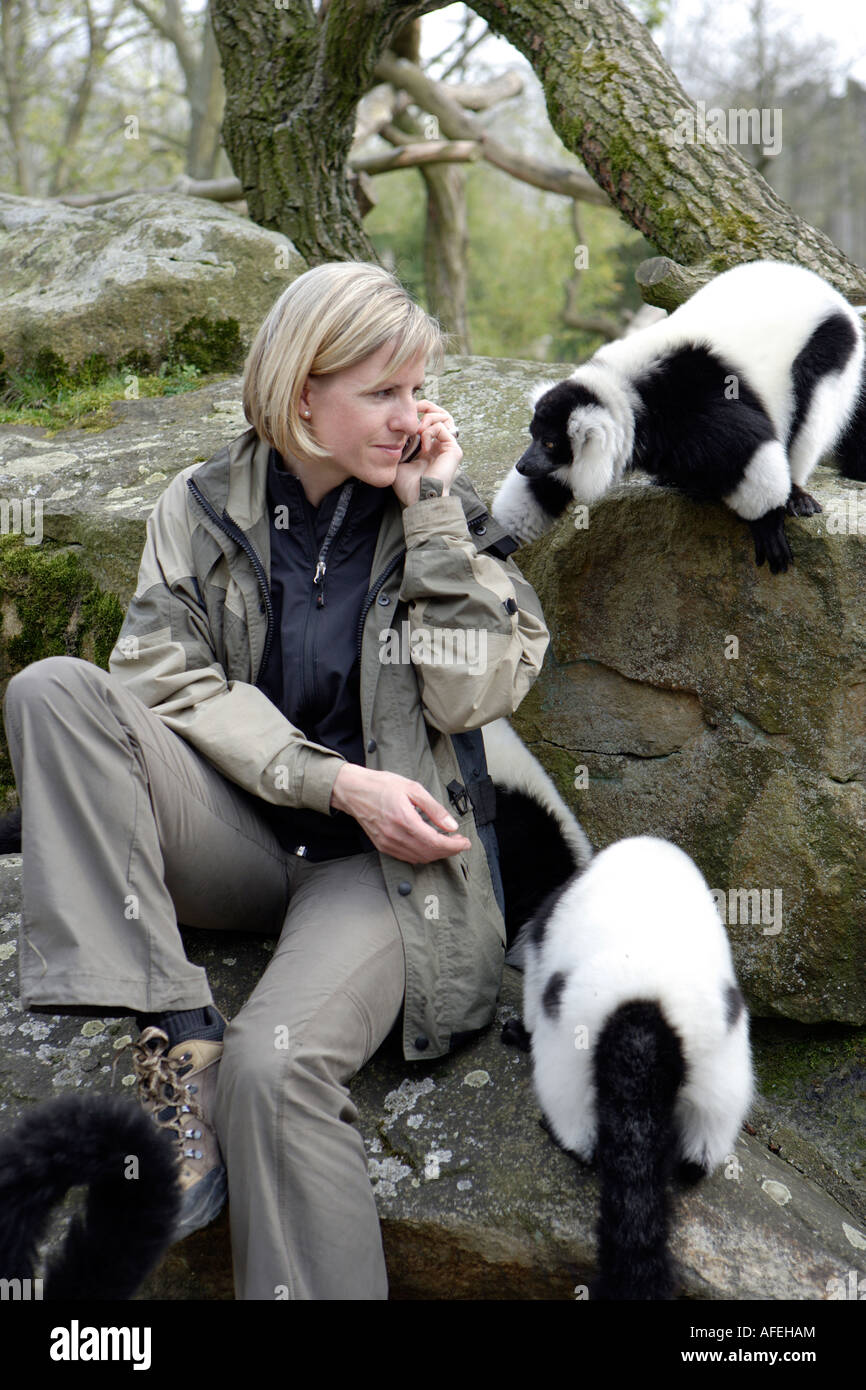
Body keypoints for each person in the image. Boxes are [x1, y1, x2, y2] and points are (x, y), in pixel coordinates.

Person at [3, 260, 549, 1300]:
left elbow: (471, 694)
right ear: (304, 391)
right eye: (381, 391)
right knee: (53, 691)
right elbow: (159, 676)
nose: (413, 413)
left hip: (387, 872)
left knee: (275, 1069)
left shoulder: (445, 512)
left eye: (417, 386)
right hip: (241, 832)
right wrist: (334, 780)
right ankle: (177, 1030)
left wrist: (431, 515)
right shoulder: (203, 505)